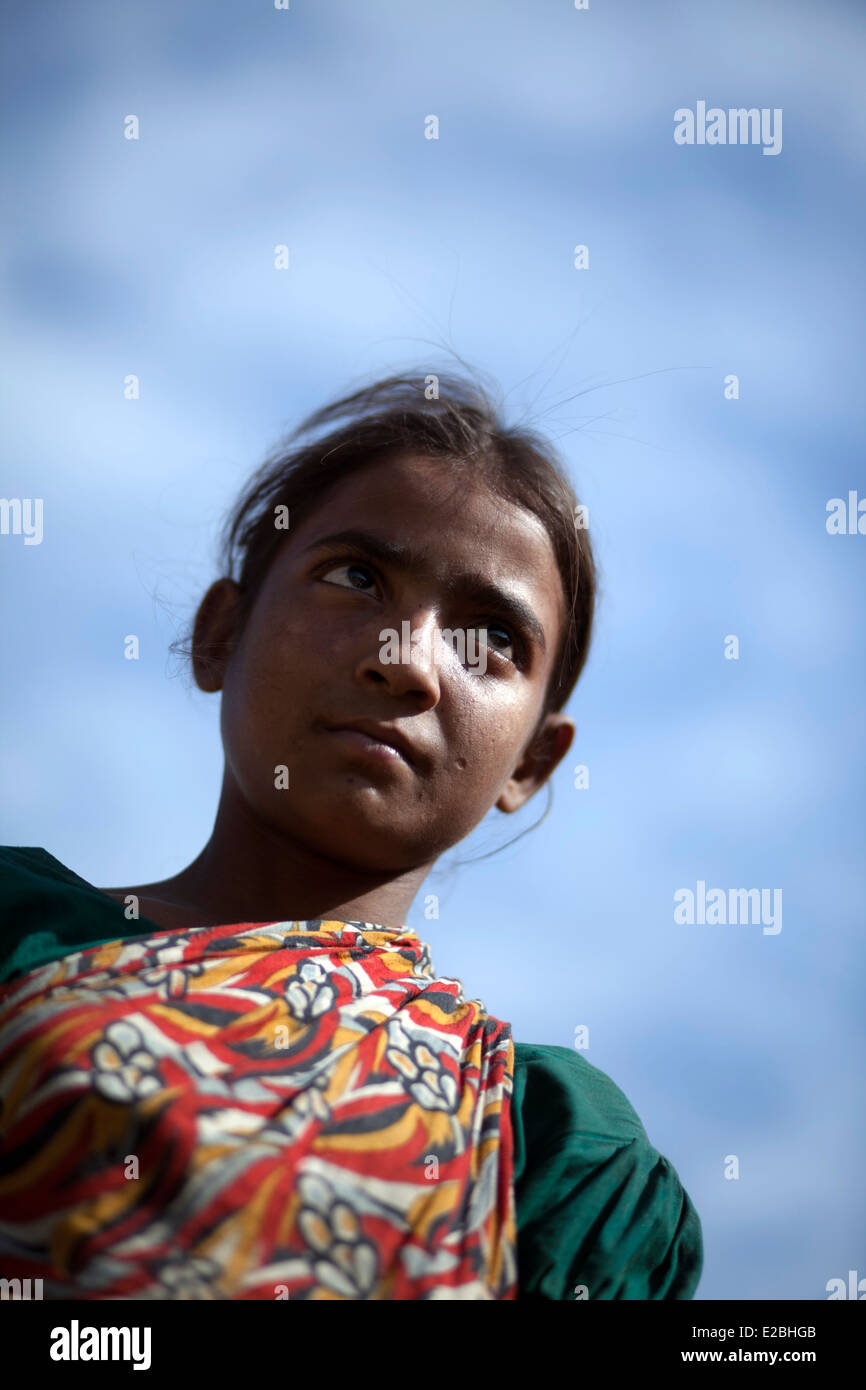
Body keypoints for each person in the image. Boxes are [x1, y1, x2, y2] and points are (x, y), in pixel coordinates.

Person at [0, 371, 703, 1300]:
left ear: (531, 762)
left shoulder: (560, 1156)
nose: (407, 661)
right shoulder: (19, 929)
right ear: (221, 634)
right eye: (355, 578)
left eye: (490, 637)